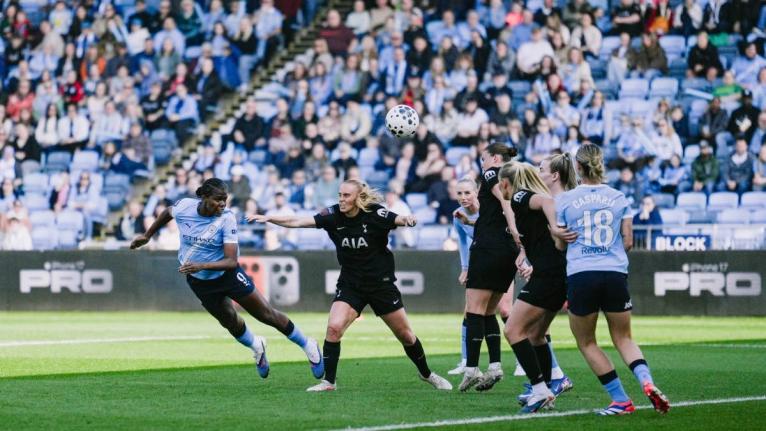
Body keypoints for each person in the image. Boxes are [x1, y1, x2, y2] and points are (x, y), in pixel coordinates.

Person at [249, 179, 451, 392]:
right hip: (351, 283)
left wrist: (408, 219)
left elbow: (398, 219)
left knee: (406, 336)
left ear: (358, 198)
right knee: (333, 328)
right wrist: (269, 218)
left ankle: (427, 374)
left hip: (381, 284)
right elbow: (298, 221)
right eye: (340, 195)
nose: (341, 200)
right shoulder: (333, 215)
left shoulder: (375, 214)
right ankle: (329, 382)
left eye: (346, 196)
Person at [130, 178, 323, 382]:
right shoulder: (184, 206)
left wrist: (201, 265)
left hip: (228, 275)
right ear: (203, 197)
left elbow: (231, 261)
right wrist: (148, 235)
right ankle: (257, 345)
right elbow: (168, 212)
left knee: (266, 314)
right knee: (229, 321)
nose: (223, 204)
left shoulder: (227, 218)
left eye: (225, 199)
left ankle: (308, 345)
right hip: (199, 281)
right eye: (218, 199)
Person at [556, 144, 670, 416]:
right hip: (615, 273)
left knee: (587, 342)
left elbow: (560, 246)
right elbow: (629, 241)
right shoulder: (620, 197)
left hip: (582, 273)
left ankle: (621, 400)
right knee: (624, 338)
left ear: (578, 168)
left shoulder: (566, 200)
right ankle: (647, 382)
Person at [498, 155, 577, 412]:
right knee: (535, 334)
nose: (500, 189)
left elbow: (546, 201)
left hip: (549, 275)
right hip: (556, 273)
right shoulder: (524, 200)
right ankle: (542, 389)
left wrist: (555, 228)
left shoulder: (521, 196)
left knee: (512, 330)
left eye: (502, 184)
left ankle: (540, 389)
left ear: (509, 183)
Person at [458, 143, 521, 392]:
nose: (481, 163)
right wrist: (471, 221)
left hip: (488, 249)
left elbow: (504, 202)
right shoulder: (515, 174)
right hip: (506, 250)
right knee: (488, 312)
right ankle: (494, 366)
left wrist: (516, 231)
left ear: (494, 158)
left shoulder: (492, 173)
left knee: (473, 309)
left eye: (483, 158)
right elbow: (494, 216)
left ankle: (472, 368)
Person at [448, 177, 480, 375]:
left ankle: (521, 362)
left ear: (476, 192)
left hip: (499, 260)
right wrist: (465, 268)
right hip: (478, 262)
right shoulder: (457, 215)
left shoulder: (488, 210)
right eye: (459, 193)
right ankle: (467, 361)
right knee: (469, 311)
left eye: (467, 192)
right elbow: (462, 242)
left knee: (505, 311)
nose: (463, 197)